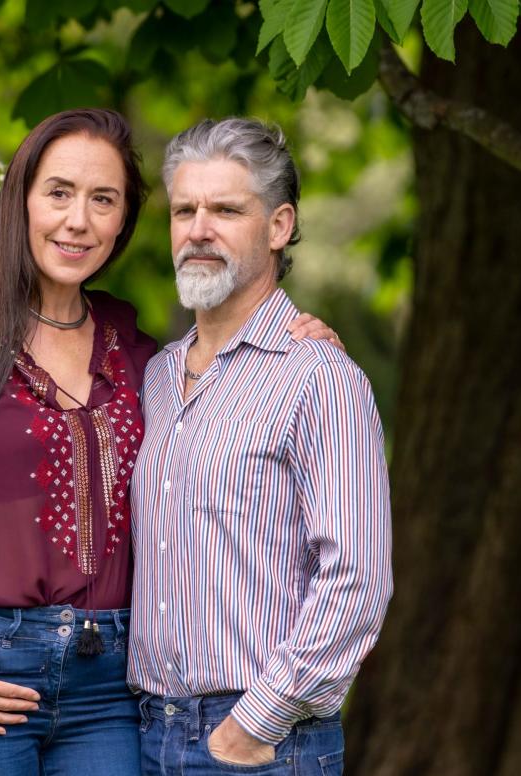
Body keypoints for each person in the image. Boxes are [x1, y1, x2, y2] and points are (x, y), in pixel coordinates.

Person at [0, 109, 339, 776]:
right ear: (20, 200)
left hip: (109, 688)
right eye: (58, 192)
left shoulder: (142, 356)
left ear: (123, 221)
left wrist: (305, 344)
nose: (77, 220)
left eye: (102, 199)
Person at [129, 117, 392, 776]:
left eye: (225, 210)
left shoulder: (320, 378)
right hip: (143, 731)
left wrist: (255, 723)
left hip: (261, 745)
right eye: (184, 209)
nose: (197, 229)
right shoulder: (156, 377)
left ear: (277, 227)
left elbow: (356, 580)